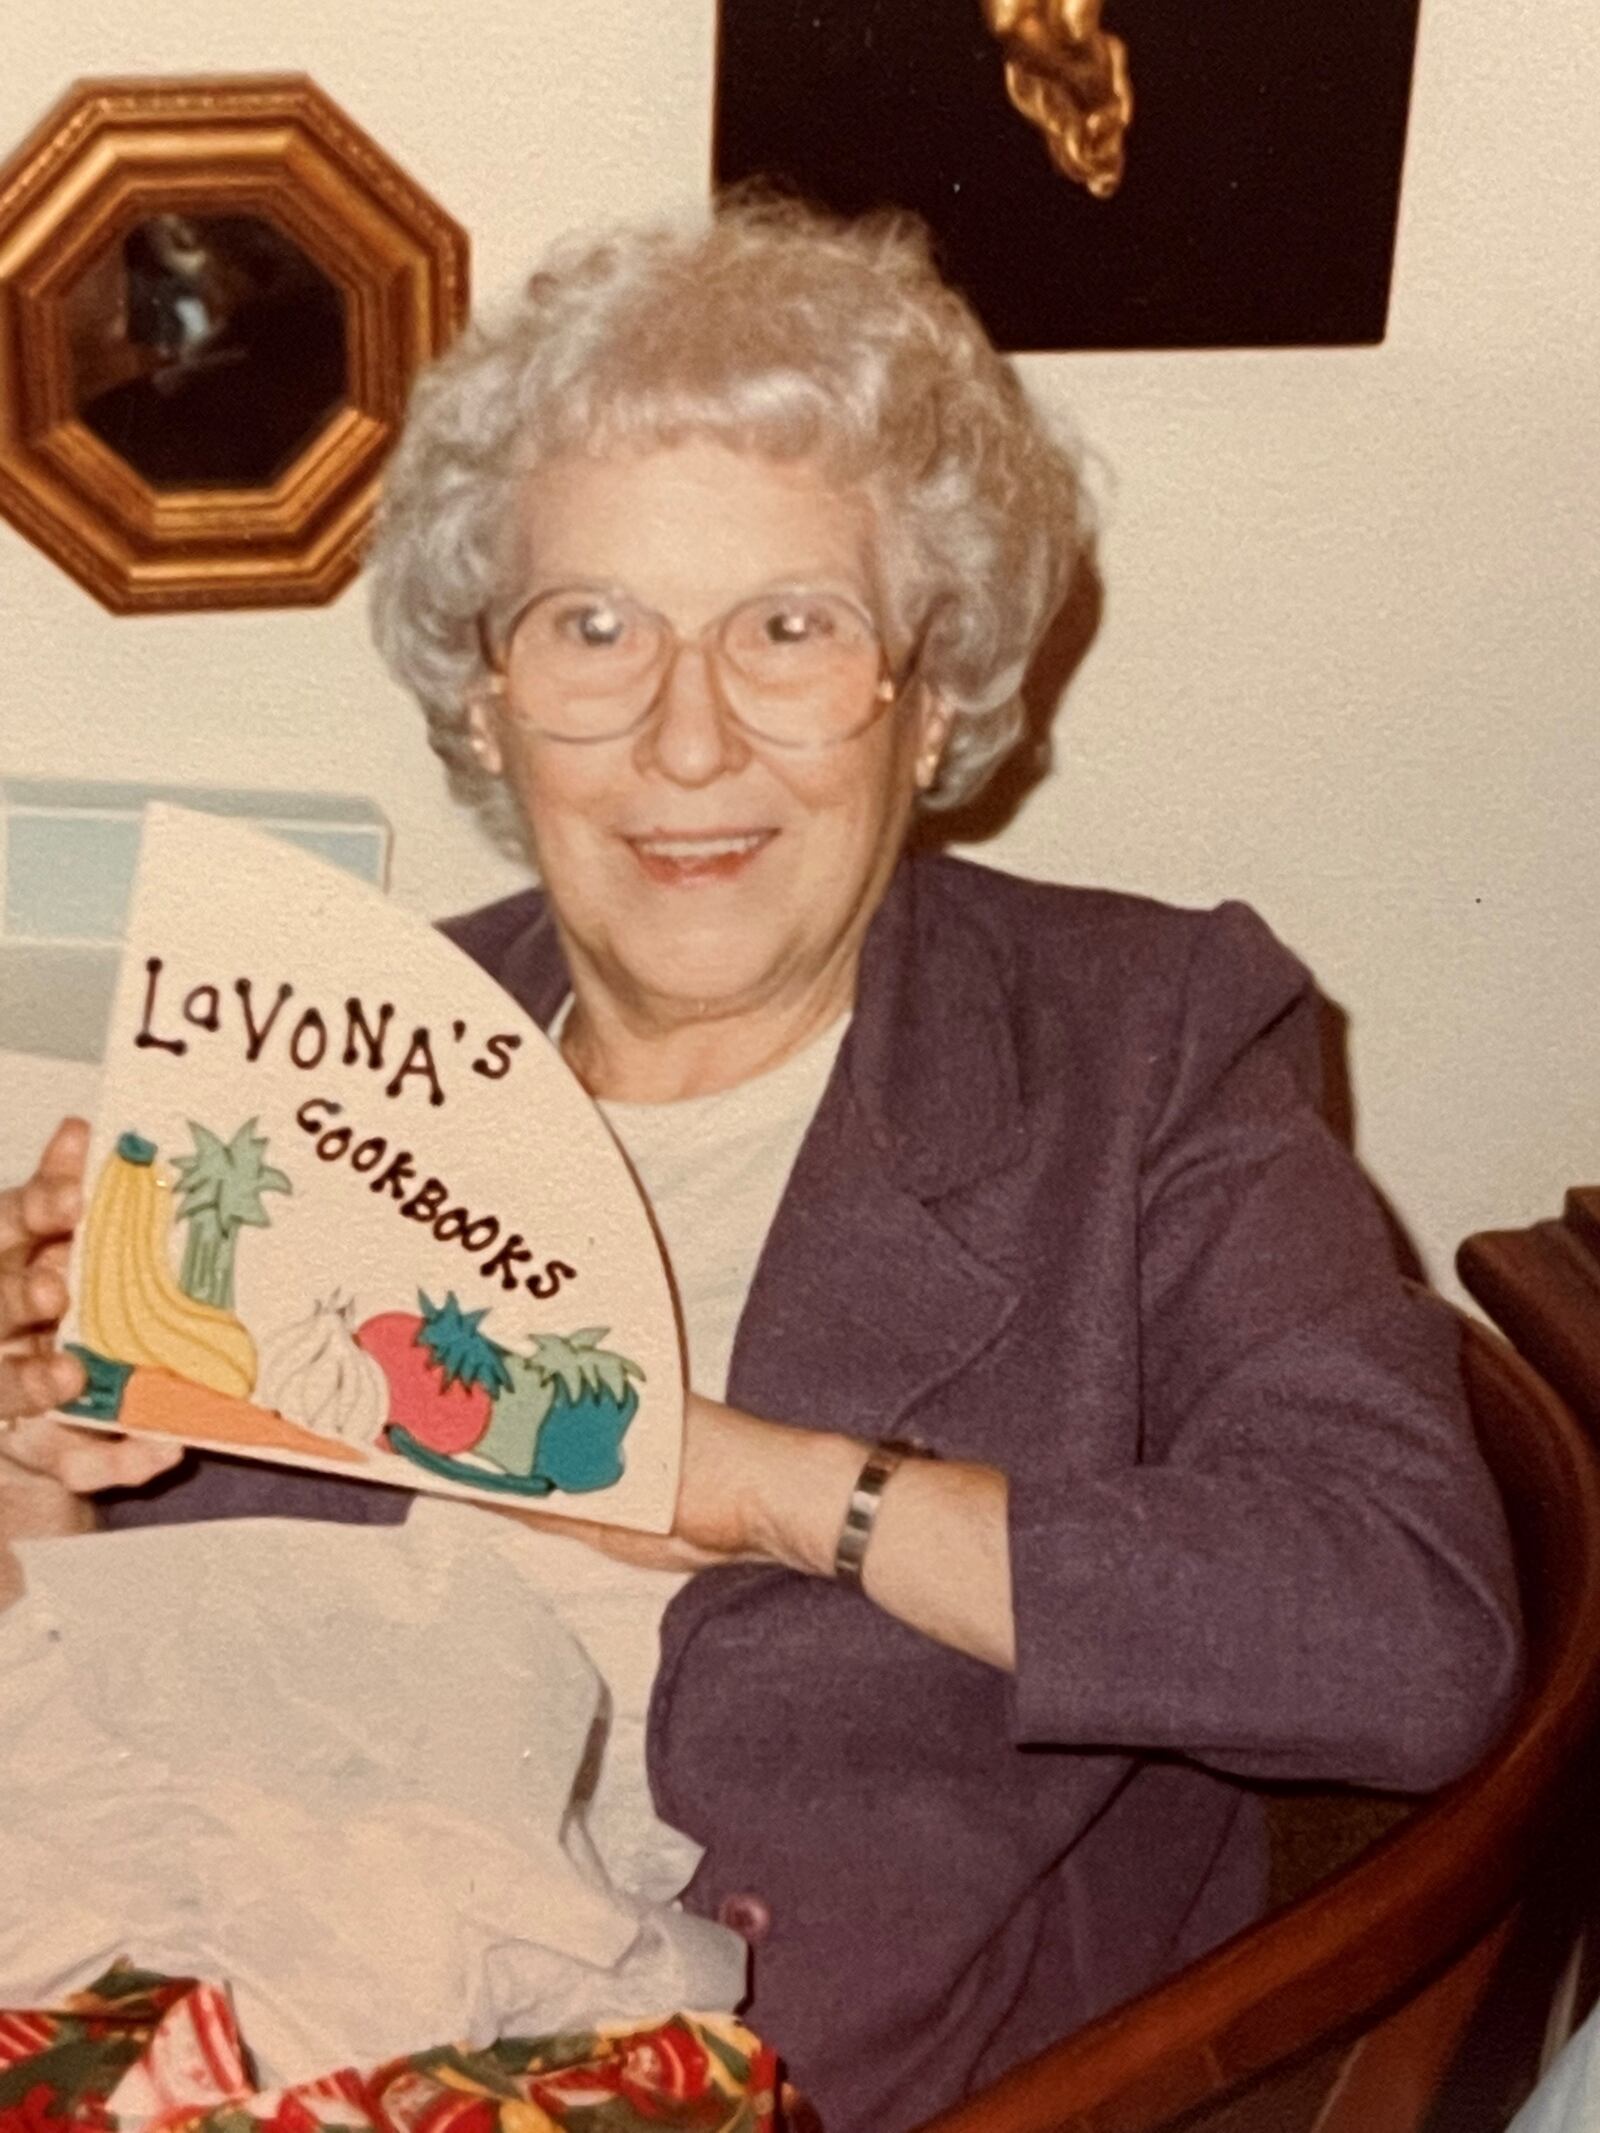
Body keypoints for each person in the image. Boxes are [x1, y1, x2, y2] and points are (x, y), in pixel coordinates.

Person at [0, 198, 1522, 2133]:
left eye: (789, 630)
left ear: (938, 686)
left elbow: (1405, 1630)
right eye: (595, 627)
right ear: (487, 694)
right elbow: (142, 1713)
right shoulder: (336, 1050)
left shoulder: (1137, 1047)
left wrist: (748, 1482)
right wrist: (35, 1466)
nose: (686, 735)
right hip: (217, 1997)